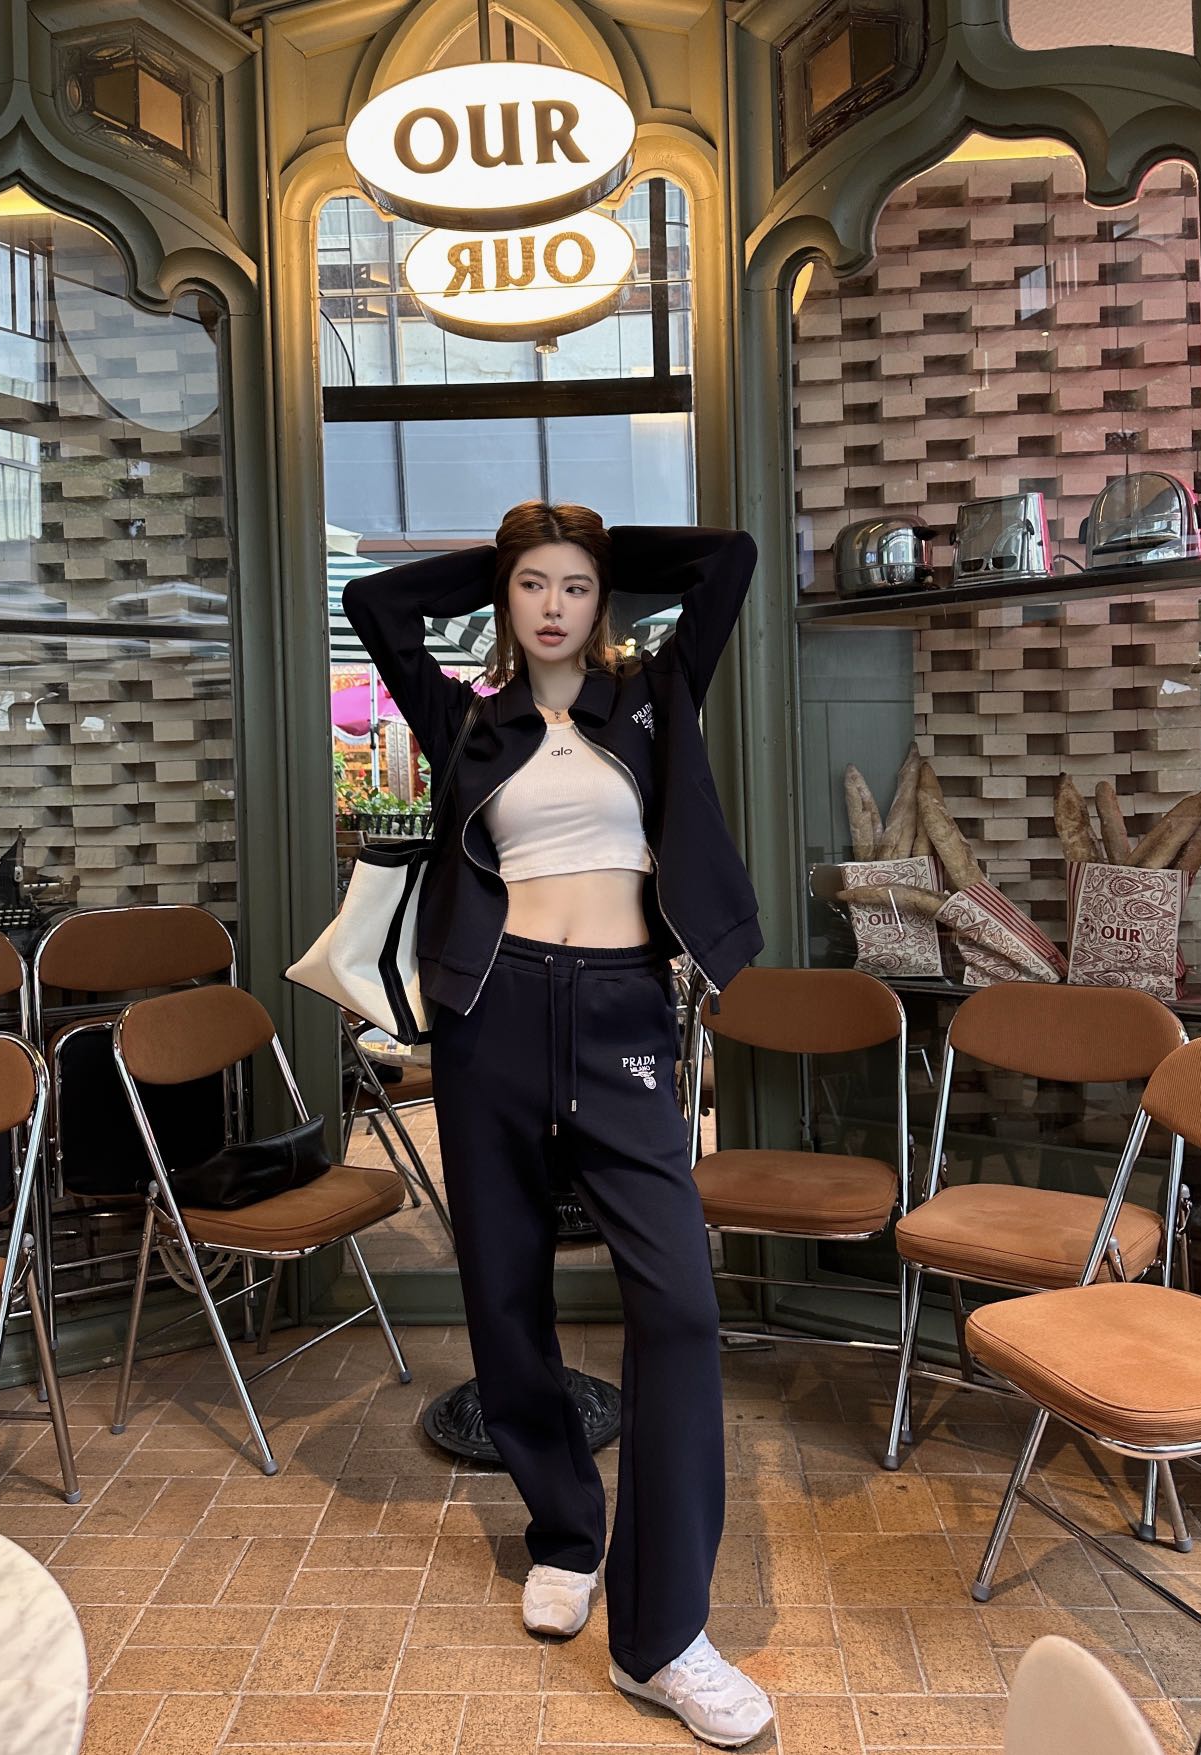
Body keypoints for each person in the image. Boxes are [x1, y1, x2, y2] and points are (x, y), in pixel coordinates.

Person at [343, 503, 771, 1748]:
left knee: (677, 1305)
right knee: (502, 1288)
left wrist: (589, 541)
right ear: (503, 598)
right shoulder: (466, 721)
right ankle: (565, 1534)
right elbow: (376, 605)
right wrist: (502, 552)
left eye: (575, 586)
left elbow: (727, 561)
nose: (551, 606)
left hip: (623, 1008)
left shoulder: (654, 693)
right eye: (529, 584)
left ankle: (661, 1637)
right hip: (491, 1012)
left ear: (603, 600)